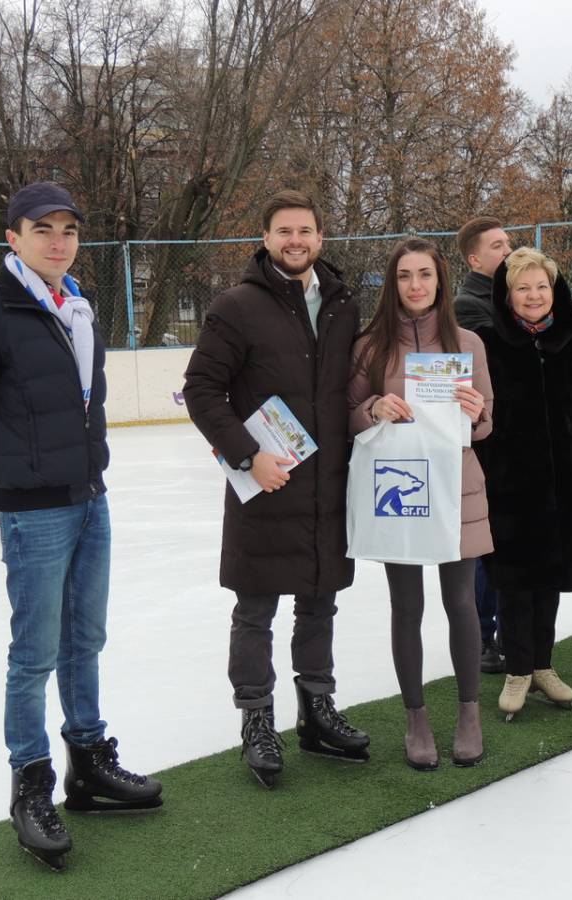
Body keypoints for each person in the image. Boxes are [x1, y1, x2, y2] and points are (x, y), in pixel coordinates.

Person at [0, 182, 161, 871]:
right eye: (44, 229)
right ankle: (30, 783)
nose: (59, 240)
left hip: (91, 497)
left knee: (85, 637)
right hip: (33, 509)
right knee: (34, 653)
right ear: (14, 238)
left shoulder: (77, 306)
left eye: (68, 229)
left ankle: (87, 762)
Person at [183, 190, 369, 788]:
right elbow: (202, 389)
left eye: (306, 231)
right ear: (266, 238)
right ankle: (257, 721)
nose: (296, 241)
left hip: (327, 487)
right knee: (256, 607)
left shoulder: (342, 304)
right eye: (284, 231)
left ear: (320, 238)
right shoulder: (236, 305)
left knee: (320, 601)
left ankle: (317, 711)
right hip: (268, 482)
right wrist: (248, 456)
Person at [348, 238, 493, 769]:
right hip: (399, 485)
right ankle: (416, 717)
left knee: (461, 602)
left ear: (440, 281)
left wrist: (476, 413)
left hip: (457, 487)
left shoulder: (468, 343)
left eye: (425, 275)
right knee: (407, 606)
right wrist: (372, 406)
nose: (415, 285)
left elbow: (486, 423)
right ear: (393, 283)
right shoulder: (370, 347)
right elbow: (347, 414)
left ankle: (469, 712)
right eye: (405, 275)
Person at [472, 247, 572, 719]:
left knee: (549, 579)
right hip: (507, 487)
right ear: (507, 294)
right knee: (513, 580)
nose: (533, 295)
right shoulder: (488, 343)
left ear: (555, 291)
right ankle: (517, 668)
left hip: (561, 487)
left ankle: (543, 665)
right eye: (523, 287)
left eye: (541, 286)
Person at [453, 215, 513, 673]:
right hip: (485, 442)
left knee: (502, 542)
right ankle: (481, 637)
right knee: (482, 545)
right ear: (475, 258)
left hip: (510, 439)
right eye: (498, 246)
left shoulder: (502, 298)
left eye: (510, 243)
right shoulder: (469, 306)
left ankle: (500, 632)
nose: (508, 250)